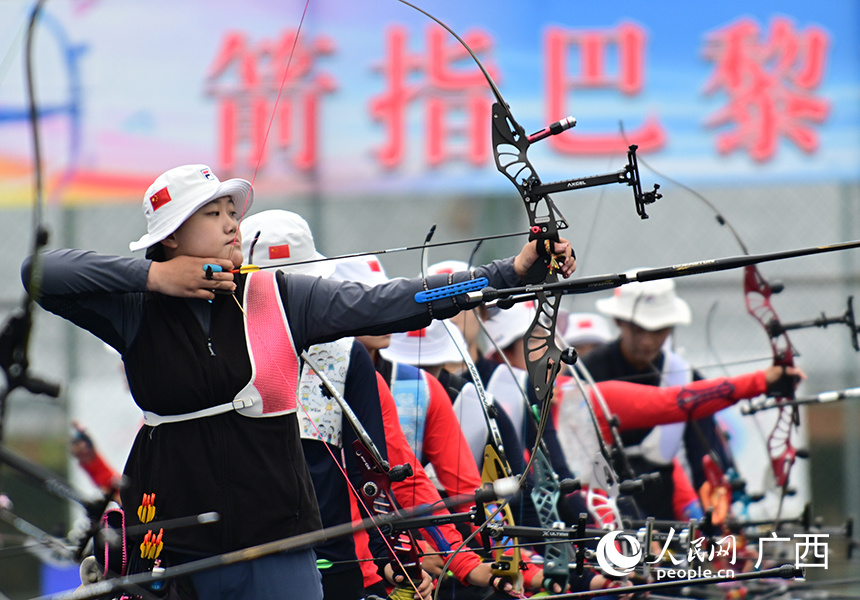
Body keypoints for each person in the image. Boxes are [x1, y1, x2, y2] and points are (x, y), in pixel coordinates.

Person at [21, 164, 575, 600]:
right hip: (171, 534)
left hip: (276, 529)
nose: (232, 222)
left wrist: (511, 274)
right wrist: (154, 276)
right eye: (211, 214)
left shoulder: (281, 296)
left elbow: (393, 303)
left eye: (230, 210)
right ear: (169, 237)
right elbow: (41, 271)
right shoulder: (134, 307)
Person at [581, 276, 801, 521]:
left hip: (664, 510)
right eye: (638, 329)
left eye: (659, 330)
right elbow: (667, 403)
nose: (648, 341)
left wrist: (716, 509)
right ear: (619, 321)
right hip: (598, 505)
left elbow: (706, 453)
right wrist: (760, 382)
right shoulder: (586, 375)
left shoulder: (682, 375)